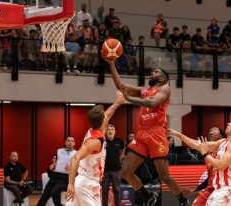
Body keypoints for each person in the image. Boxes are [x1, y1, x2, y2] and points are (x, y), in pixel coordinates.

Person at [106, 59, 190, 206]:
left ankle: (182, 199)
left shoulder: (165, 88)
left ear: (163, 78)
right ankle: (147, 195)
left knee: (164, 176)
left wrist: (129, 99)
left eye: (156, 72)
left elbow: (153, 103)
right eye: (152, 72)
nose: (152, 73)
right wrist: (111, 63)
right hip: (142, 133)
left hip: (157, 133)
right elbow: (121, 86)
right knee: (125, 172)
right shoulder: (143, 91)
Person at [169, 116, 231, 206]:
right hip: (220, 188)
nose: (228, 123)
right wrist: (178, 135)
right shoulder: (222, 142)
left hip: (229, 188)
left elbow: (221, 165)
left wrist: (205, 154)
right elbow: (197, 145)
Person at [65, 91, 125, 206]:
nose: (107, 117)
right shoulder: (95, 142)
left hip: (82, 181)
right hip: (87, 185)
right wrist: (70, 184)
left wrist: (118, 102)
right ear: (104, 122)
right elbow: (75, 158)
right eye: (105, 117)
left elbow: (108, 113)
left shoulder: (96, 130)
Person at [37, 137, 77, 206]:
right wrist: (53, 164)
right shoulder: (59, 150)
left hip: (66, 177)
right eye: (68, 141)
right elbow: (58, 160)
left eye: (72, 141)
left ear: (74, 143)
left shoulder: (77, 153)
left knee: (54, 191)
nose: (70, 142)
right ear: (65, 143)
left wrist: (70, 169)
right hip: (55, 175)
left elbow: (78, 168)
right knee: (45, 195)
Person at [190, 127, 223, 206]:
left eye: (215, 132)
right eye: (210, 133)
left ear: (221, 136)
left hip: (222, 188)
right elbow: (211, 176)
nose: (212, 134)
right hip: (210, 188)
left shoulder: (224, 149)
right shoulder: (206, 152)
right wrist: (198, 188)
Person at [102, 124, 125, 206]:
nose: (110, 131)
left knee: (117, 190)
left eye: (112, 129)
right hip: (104, 171)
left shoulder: (119, 141)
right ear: (106, 131)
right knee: (104, 191)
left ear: (115, 131)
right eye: (108, 129)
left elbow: (123, 150)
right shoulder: (102, 141)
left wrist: (120, 159)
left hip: (116, 170)